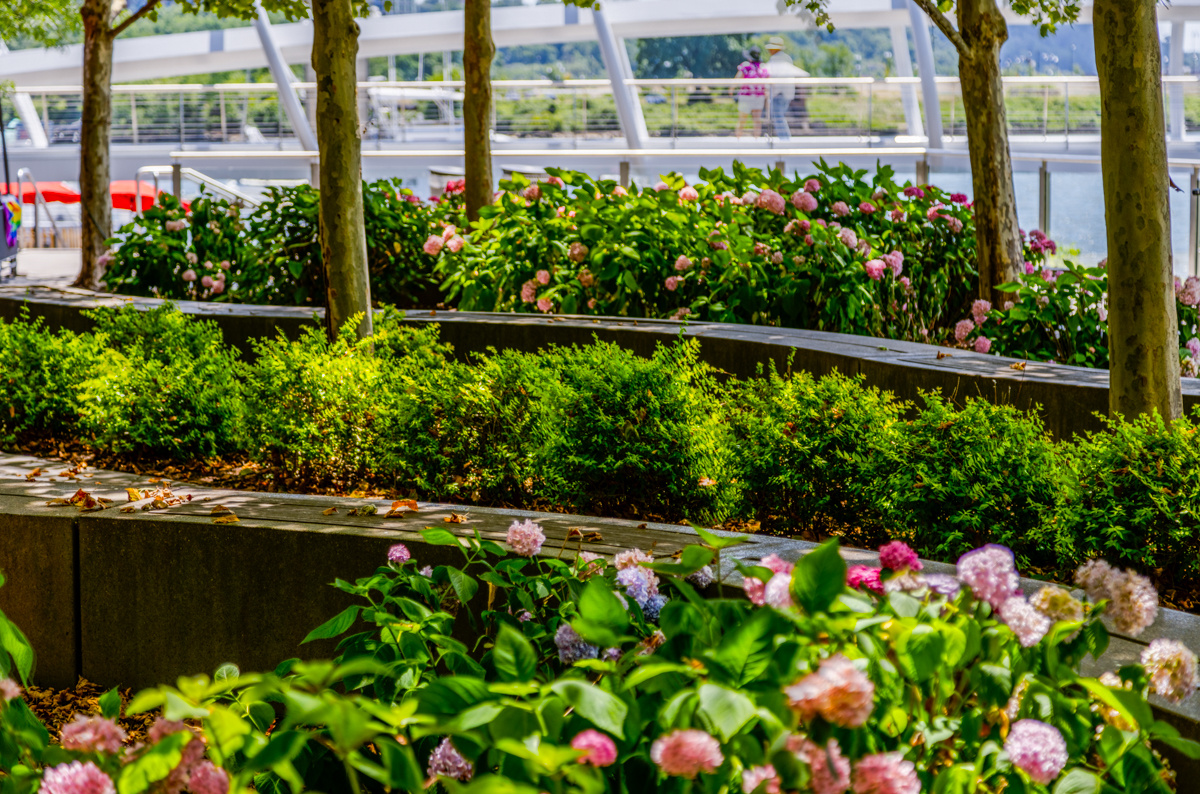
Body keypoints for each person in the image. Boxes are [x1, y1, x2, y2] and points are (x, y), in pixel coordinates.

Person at [765, 36, 807, 139]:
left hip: (778, 93)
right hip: (787, 94)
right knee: (780, 116)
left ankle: (785, 139)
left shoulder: (775, 60)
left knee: (778, 117)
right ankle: (785, 138)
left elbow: (773, 76)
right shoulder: (787, 58)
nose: (769, 50)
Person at [735, 46, 769, 138]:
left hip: (746, 96)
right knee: (757, 120)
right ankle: (757, 140)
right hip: (759, 97)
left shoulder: (746, 66)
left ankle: (738, 140)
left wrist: (731, 90)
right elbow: (768, 82)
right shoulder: (763, 68)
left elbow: (737, 79)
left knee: (742, 120)